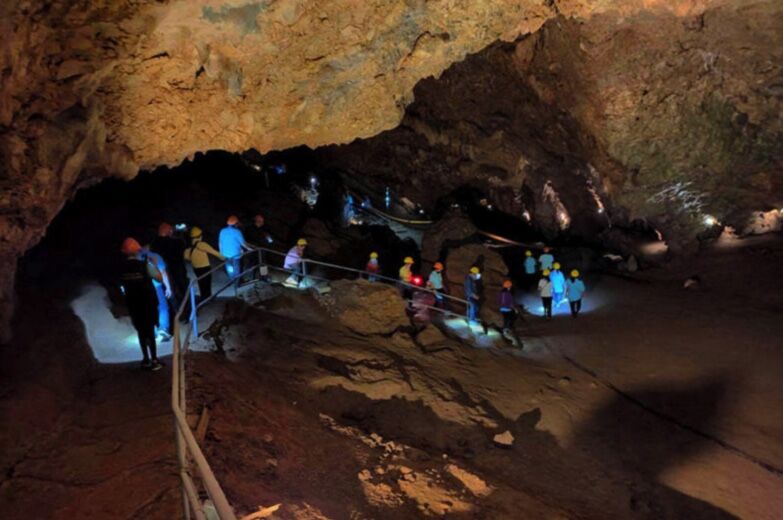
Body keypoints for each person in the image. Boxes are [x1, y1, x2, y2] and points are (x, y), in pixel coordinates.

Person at [120, 238, 163, 371]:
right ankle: (154, 359)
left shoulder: (121, 267)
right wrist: (154, 265)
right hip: (147, 301)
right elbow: (159, 278)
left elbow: (121, 285)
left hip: (133, 303)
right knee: (149, 330)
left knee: (140, 330)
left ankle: (145, 359)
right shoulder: (144, 265)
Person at [184, 226, 224, 302]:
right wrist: (224, 258)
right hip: (205, 267)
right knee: (207, 285)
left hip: (196, 268)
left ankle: (204, 299)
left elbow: (187, 257)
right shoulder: (201, 244)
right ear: (200, 235)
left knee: (201, 283)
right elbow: (213, 252)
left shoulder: (190, 246)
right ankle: (208, 300)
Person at [142, 246, 173, 341]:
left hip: (141, 288)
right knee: (162, 307)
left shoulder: (134, 257)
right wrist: (168, 287)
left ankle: (150, 331)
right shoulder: (155, 256)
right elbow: (162, 272)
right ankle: (163, 330)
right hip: (156, 286)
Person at [219, 215, 251, 281]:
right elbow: (243, 243)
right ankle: (237, 282)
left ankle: (232, 280)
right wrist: (249, 248)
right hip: (236, 254)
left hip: (226, 254)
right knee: (237, 269)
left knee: (229, 268)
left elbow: (220, 243)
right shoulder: (237, 232)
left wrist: (221, 252)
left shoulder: (222, 231)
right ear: (235, 224)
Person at [244, 214, 274, 280]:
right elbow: (249, 239)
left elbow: (270, 240)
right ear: (257, 221)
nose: (262, 223)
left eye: (263, 221)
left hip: (262, 250)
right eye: (261, 221)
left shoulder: (264, 229)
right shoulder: (250, 229)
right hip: (253, 250)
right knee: (252, 264)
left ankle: (263, 277)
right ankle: (251, 278)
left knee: (263, 264)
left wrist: (269, 239)